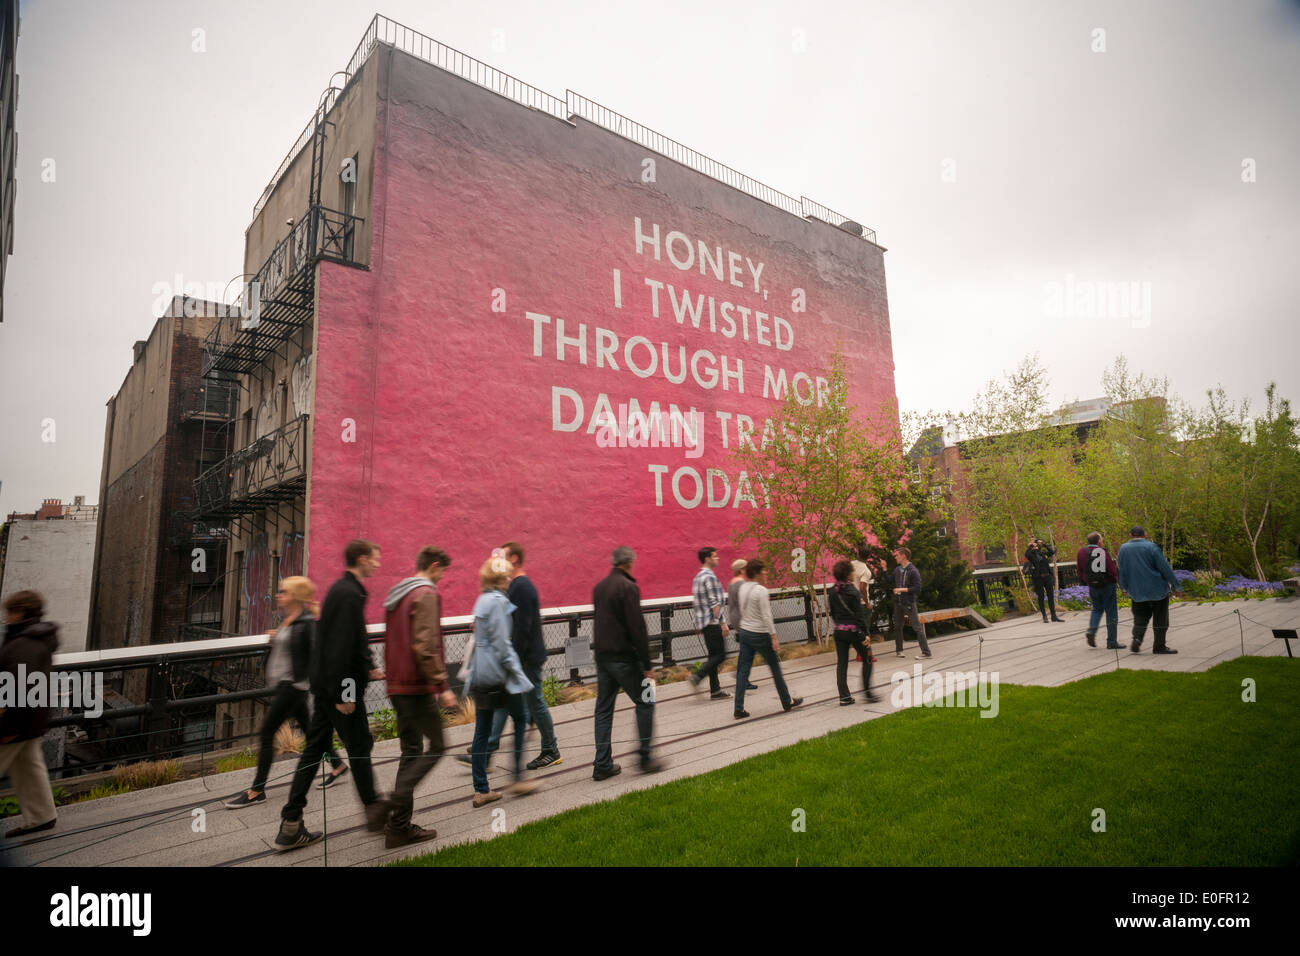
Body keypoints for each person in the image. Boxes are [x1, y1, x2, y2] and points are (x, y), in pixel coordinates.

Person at [275, 539, 391, 851]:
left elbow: (351, 640)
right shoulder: (350, 594)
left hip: (326, 687)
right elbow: (340, 649)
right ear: (363, 558)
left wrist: (368, 667)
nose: (378, 564)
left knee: (315, 751)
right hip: (338, 690)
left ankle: (290, 823)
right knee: (359, 747)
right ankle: (375, 810)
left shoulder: (343, 591)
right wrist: (346, 693)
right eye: (375, 558)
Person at [224, 577, 348, 809]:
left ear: (296, 596)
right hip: (287, 685)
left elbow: (316, 657)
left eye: (284, 591)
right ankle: (338, 765)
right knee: (311, 732)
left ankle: (257, 790)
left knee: (266, 733)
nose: (279, 595)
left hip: (292, 687)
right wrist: (277, 637)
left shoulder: (306, 623)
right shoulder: (289, 620)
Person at [456, 542, 562, 772]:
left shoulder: (521, 588)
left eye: (502, 556)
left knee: (535, 703)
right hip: (520, 658)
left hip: (526, 659)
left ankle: (550, 749)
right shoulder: (516, 587)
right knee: (508, 704)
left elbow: (522, 627)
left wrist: (516, 660)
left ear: (513, 559)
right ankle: (485, 753)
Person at [381, 547, 457, 848]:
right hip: (416, 685)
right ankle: (396, 802)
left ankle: (398, 827)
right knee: (437, 745)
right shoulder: (425, 594)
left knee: (410, 751)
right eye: (443, 572)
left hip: (397, 684)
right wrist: (443, 686)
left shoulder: (397, 594)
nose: (442, 578)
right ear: (435, 566)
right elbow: (426, 645)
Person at [464, 552, 540, 807]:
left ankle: (481, 788)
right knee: (520, 720)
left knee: (482, 731)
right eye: (506, 575)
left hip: (481, 673)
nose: (510, 579)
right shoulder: (498, 602)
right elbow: (502, 644)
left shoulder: (482, 600)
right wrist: (519, 675)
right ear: (499, 578)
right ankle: (517, 778)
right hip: (499, 674)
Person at [591, 547, 662, 778]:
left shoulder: (599, 587)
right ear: (629, 563)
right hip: (624, 658)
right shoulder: (629, 588)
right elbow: (637, 628)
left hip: (603, 657)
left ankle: (602, 764)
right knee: (646, 702)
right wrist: (647, 664)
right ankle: (644, 757)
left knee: (603, 709)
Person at [0, 590, 59, 838]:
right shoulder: (37, 638)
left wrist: (8, 728)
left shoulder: (24, 644)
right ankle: (42, 816)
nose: (6, 617)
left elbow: (20, 688)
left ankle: (41, 816)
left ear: (22, 612)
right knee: (29, 767)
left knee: (27, 764)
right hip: (32, 717)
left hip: (17, 720)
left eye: (10, 612)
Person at [732, 558, 802, 719]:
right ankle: (787, 701)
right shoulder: (761, 591)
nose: (766, 573)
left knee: (743, 671)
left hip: (745, 632)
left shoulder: (742, 588)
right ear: (756, 573)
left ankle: (738, 708)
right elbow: (766, 615)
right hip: (760, 634)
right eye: (763, 570)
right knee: (775, 668)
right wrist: (774, 636)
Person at [1117, 526, 1183, 655]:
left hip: (1137, 591)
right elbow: (1165, 568)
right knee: (1161, 619)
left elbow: (1122, 571)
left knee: (1140, 618)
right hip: (1157, 589)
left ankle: (1137, 638)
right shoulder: (1152, 547)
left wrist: (1124, 587)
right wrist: (1177, 586)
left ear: (1131, 535)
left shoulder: (1123, 549)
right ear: (1145, 534)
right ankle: (1159, 646)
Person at [828, 561, 879, 704]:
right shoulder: (853, 592)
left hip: (839, 632)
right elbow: (859, 616)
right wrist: (866, 634)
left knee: (842, 663)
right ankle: (868, 693)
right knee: (867, 659)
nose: (853, 573)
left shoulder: (832, 591)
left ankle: (844, 697)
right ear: (848, 574)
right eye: (852, 571)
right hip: (855, 632)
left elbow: (832, 613)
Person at [688, 546, 731, 700]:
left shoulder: (698, 577)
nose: (717, 558)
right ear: (707, 558)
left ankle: (715, 690)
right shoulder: (710, 577)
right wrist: (723, 623)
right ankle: (697, 677)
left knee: (713, 655)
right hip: (713, 622)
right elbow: (714, 603)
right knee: (720, 656)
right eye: (715, 556)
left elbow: (698, 602)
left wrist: (699, 624)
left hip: (704, 623)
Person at [1075, 532, 1125, 650]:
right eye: (1101, 539)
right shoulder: (1103, 552)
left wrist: (1088, 581)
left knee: (1097, 609)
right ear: (1099, 541)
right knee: (1111, 612)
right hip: (1107, 585)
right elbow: (1111, 571)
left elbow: (1080, 570)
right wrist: (1115, 581)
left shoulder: (1081, 552)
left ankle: (1092, 631)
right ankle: (1112, 641)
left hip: (1093, 586)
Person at [724, 558, 758, 691]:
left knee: (747, 648)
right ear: (742, 570)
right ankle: (742, 676)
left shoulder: (732, 583)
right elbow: (744, 602)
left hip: (734, 617)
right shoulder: (741, 583)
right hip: (742, 618)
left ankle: (742, 676)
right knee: (750, 648)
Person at [891, 547, 931, 659]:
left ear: (903, 556)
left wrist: (901, 589)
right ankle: (899, 650)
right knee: (898, 627)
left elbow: (917, 589)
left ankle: (926, 653)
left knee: (917, 627)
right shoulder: (897, 570)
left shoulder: (913, 570)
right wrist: (884, 569)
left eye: (897, 555)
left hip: (908, 603)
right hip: (898, 603)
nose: (895, 557)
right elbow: (889, 580)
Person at [1025, 537, 1064, 623]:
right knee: (1041, 597)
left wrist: (1044, 544)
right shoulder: (1031, 554)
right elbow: (1026, 555)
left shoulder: (1043, 553)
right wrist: (1030, 546)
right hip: (1038, 578)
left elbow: (1052, 552)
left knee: (1050, 596)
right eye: (1035, 544)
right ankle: (1044, 616)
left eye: (1037, 543)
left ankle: (1054, 616)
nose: (1036, 545)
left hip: (1047, 577)